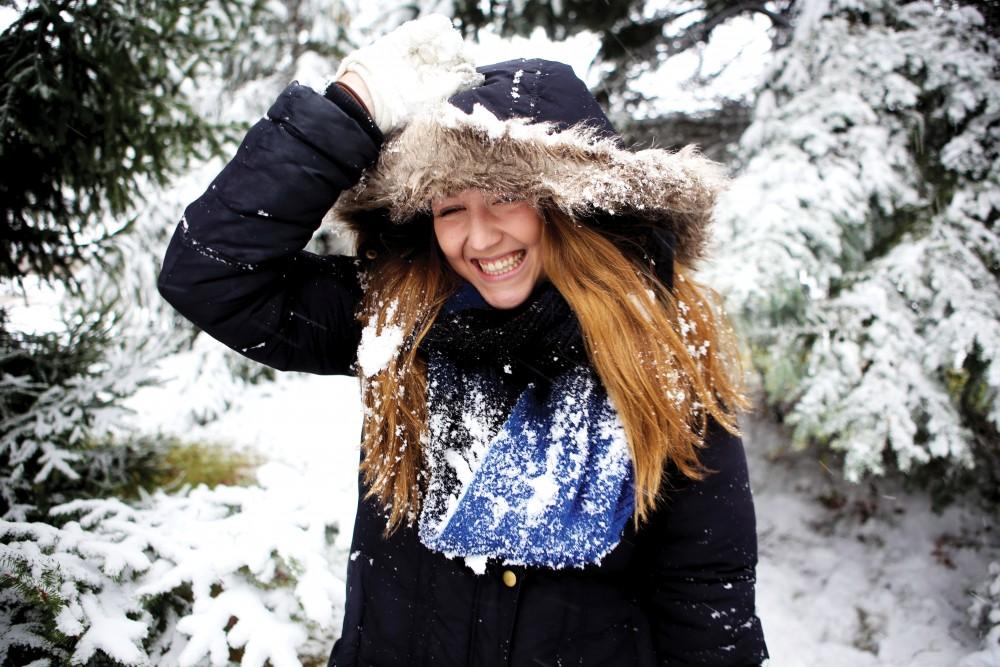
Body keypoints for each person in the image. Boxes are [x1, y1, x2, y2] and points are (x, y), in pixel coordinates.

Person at [158, 14, 768, 667]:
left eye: (506, 196)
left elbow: (706, 595)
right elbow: (210, 273)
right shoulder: (399, 320)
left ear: (571, 203)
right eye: (450, 206)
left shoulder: (663, 354)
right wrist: (349, 110)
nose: (477, 239)